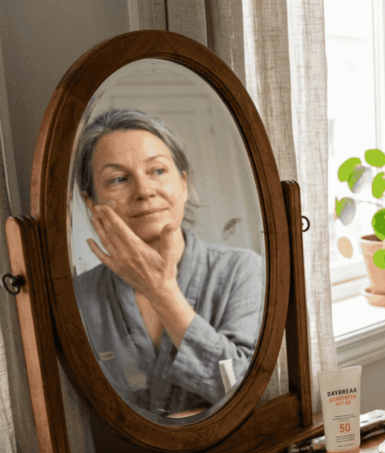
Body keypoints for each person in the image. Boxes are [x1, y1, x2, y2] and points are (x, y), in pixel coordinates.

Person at [72, 109, 263, 418]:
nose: (145, 191)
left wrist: (161, 291)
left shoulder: (241, 271)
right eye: (118, 179)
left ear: (184, 183)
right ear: (90, 203)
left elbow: (245, 391)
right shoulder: (78, 297)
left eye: (158, 171)